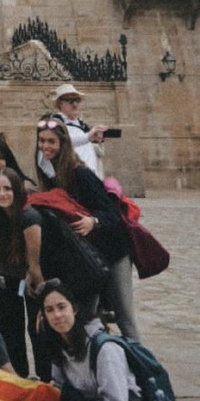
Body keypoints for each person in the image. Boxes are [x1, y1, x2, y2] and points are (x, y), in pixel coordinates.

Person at [35, 119, 137, 339]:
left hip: (112, 251)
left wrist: (94, 221)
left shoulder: (80, 173)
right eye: (42, 141)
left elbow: (111, 212)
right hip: (86, 257)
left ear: (63, 143)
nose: (46, 146)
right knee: (88, 314)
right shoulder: (49, 175)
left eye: (51, 141)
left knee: (124, 315)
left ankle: (143, 368)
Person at [0, 168, 44, 376]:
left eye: (7, 188)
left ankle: (46, 379)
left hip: (29, 282)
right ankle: (20, 378)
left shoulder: (29, 217)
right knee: (11, 335)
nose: (1, 193)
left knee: (37, 331)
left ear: (16, 190)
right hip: (5, 283)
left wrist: (44, 298)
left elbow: (35, 265)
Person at [49, 85, 105, 176]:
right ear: (60, 104)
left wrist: (98, 140)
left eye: (77, 100)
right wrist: (88, 137)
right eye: (70, 101)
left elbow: (95, 150)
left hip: (92, 173)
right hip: (72, 175)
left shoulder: (82, 124)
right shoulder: (56, 122)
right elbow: (62, 141)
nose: (75, 104)